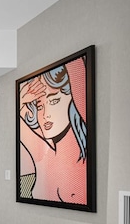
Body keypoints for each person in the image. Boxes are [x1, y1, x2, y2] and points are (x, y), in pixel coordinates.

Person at [18, 56, 88, 204]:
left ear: (74, 99)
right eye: (40, 106)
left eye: (54, 101)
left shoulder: (79, 166)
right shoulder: (45, 157)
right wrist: (21, 99)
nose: (45, 115)